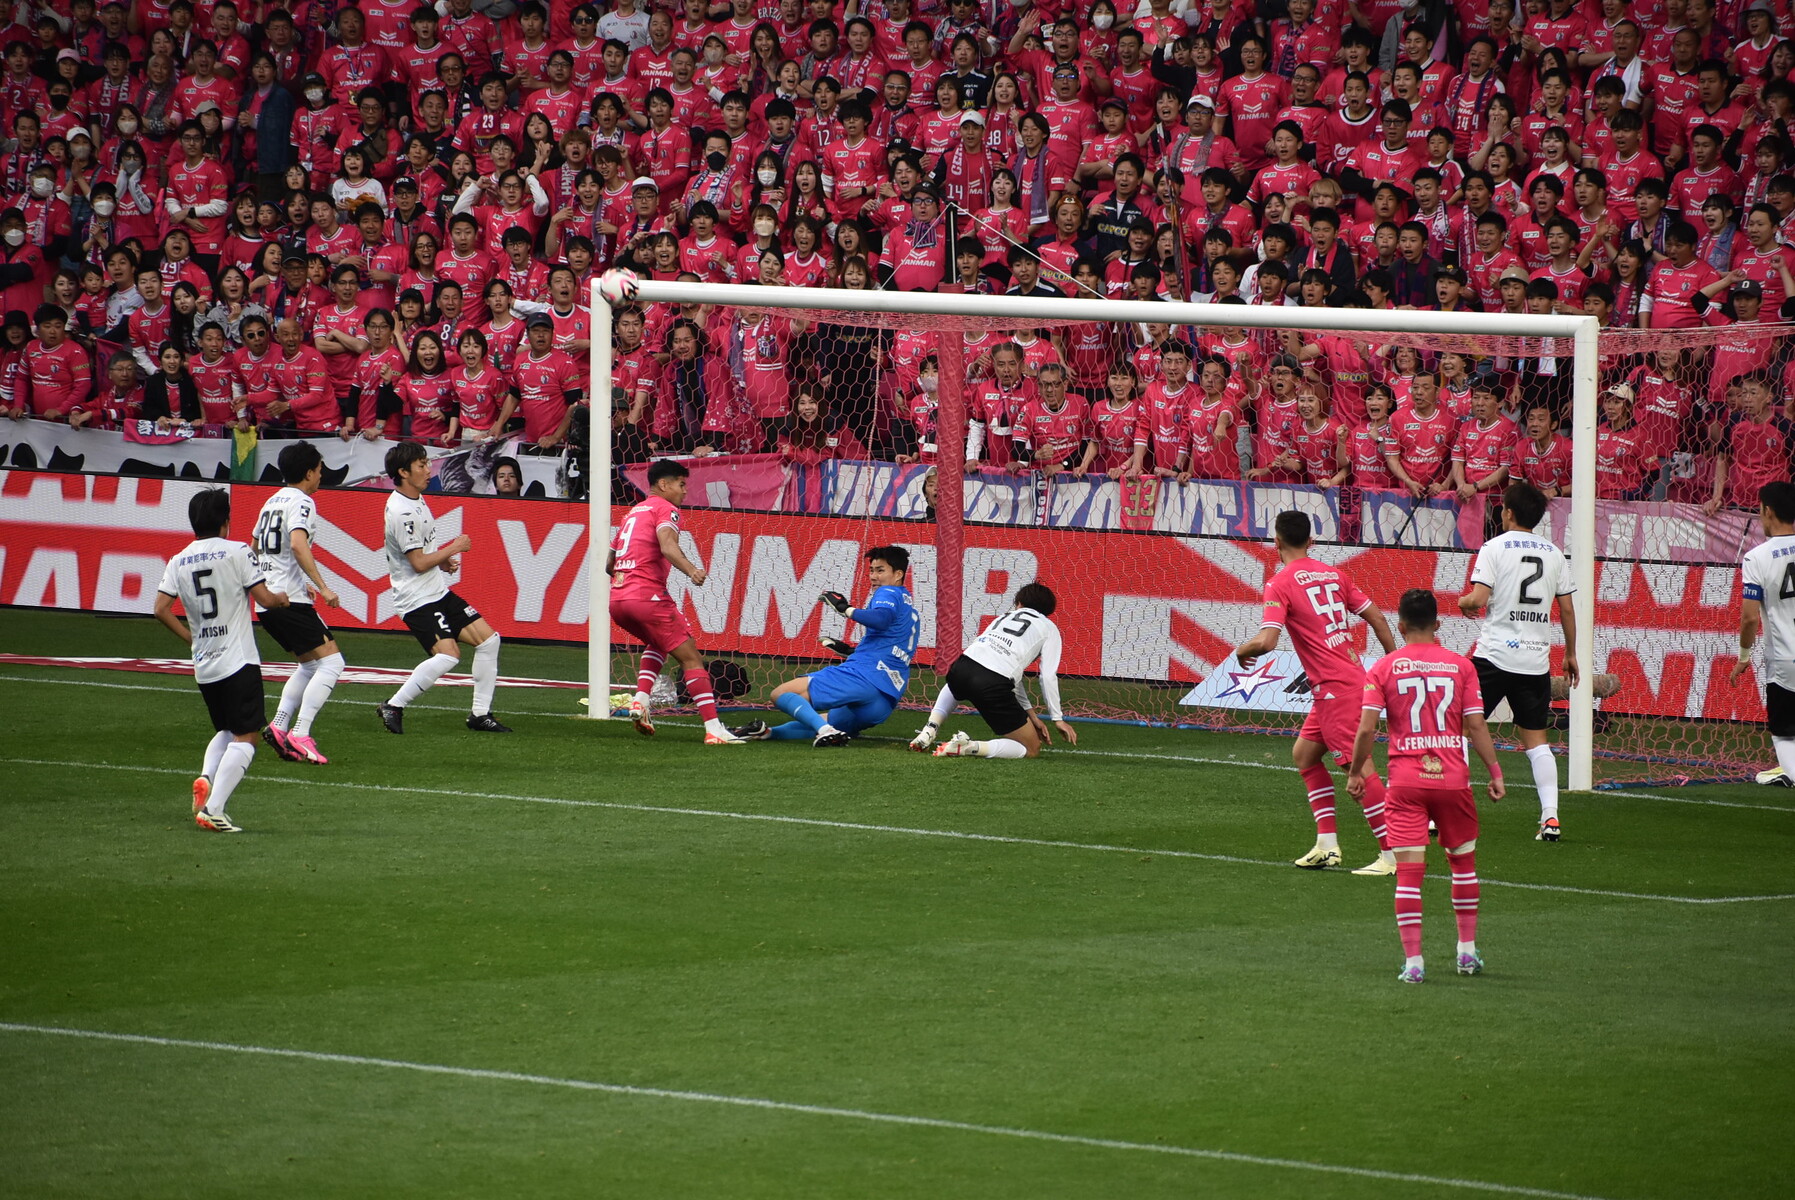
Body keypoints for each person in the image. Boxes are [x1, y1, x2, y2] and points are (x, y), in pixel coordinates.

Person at [1348, 588, 1506, 983]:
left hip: (1405, 783)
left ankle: (1414, 963)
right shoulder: (1461, 666)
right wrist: (1495, 771)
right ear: (1437, 624)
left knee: (1408, 874)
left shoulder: (1383, 667)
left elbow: (1366, 729)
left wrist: (1355, 772)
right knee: (1463, 865)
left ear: (1400, 626)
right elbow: (1476, 725)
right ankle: (1466, 953)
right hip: (1452, 781)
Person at [1232, 510, 1399, 874]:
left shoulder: (1279, 583)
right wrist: (1392, 663)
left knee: (1360, 768)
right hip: (1345, 680)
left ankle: (1393, 854)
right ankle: (1327, 845)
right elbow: (1378, 618)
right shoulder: (1334, 574)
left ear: (1276, 542)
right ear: (1311, 541)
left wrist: (1243, 650)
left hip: (1336, 688)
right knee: (1305, 755)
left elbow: (1268, 641)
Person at [152, 487, 291, 833]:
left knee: (226, 729)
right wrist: (282, 599)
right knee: (247, 736)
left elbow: (160, 609)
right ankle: (214, 809)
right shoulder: (237, 551)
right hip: (238, 660)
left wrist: (192, 638)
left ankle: (206, 776)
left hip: (205, 664)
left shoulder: (178, 560)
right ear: (225, 521)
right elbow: (264, 599)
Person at [1457, 482, 1580, 840]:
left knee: (1458, 729)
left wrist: (1463, 603)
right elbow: (1567, 609)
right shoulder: (1554, 553)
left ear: (1508, 512)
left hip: (1494, 657)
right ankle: (1551, 817)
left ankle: (1447, 810)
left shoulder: (1494, 547)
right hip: (1533, 660)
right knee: (1537, 742)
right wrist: (1570, 653)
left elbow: (1478, 598)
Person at [376, 440, 511, 735]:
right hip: (417, 599)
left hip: (436, 591)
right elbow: (417, 563)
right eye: (421, 465)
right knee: (448, 655)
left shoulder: (415, 499)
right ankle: (394, 705)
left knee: (489, 641)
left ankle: (480, 715)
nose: (428, 470)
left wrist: (442, 561)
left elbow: (421, 554)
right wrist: (454, 548)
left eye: (427, 463)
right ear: (403, 472)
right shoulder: (402, 512)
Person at [608, 458, 745, 745]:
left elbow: (610, 564)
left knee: (659, 642)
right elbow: (667, 546)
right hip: (648, 597)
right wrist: (692, 570)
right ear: (663, 484)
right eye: (681, 484)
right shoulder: (665, 509)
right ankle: (714, 729)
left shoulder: (631, 513)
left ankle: (641, 700)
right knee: (691, 658)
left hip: (618, 599)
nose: (684, 491)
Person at [732, 546, 921, 747]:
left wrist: (845, 609)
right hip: (883, 701)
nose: (873, 576)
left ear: (898, 574)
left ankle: (826, 732)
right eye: (871, 570)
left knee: (781, 694)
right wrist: (850, 651)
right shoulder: (911, 611)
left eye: (880, 570)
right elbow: (893, 646)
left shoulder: (888, 592)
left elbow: (881, 619)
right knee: (821, 720)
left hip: (865, 676)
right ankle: (767, 733)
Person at [253, 441, 347, 767]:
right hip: (290, 601)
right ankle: (301, 733)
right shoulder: (303, 501)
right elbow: (297, 543)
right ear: (308, 473)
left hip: (268, 602)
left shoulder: (271, 501)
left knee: (309, 666)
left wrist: (267, 581)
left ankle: (279, 726)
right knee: (333, 664)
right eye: (319, 470)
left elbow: (255, 547)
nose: (321, 476)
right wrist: (322, 587)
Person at [915, 582, 1078, 759]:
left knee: (957, 684)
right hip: (991, 683)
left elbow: (1012, 677)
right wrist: (1057, 718)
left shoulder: (1004, 617)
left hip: (961, 667)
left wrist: (1031, 715)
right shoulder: (1049, 628)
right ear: (1047, 612)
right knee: (1032, 748)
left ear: (1019, 604)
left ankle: (930, 729)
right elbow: (1047, 676)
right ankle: (968, 747)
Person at [1731, 482, 1795, 790]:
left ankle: (1790, 773)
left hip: (1785, 660)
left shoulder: (1757, 557)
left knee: (1784, 732)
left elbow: (1749, 618)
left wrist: (1744, 656)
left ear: (1767, 511)